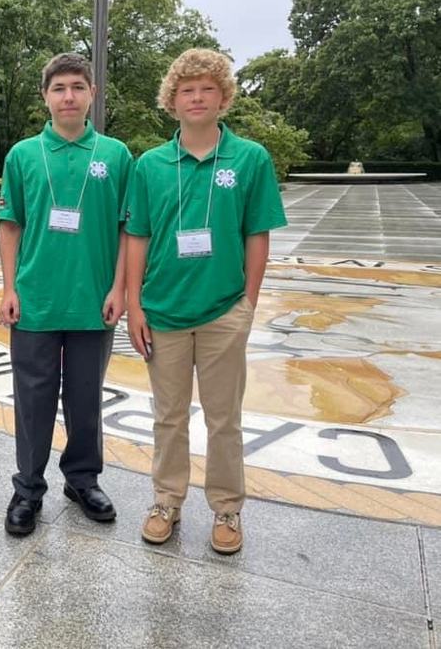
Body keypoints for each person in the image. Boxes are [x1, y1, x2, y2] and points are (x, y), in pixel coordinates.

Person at [124, 48, 287, 554]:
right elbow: (137, 237)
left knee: (224, 419)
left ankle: (226, 510)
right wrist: (134, 305)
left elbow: (257, 234)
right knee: (168, 416)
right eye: (186, 90)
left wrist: (248, 305)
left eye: (207, 89)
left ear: (223, 97)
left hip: (222, 311)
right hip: (164, 312)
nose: (196, 97)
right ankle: (167, 500)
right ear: (172, 101)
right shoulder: (149, 164)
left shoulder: (250, 159)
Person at [0, 53, 133, 535]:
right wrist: (9, 287)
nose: (69, 96)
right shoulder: (23, 155)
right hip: (35, 300)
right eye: (59, 88)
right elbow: (9, 226)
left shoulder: (116, 155)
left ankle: (82, 479)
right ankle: (27, 488)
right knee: (32, 400)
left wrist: (119, 287)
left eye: (78, 86)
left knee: (86, 398)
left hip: (94, 302)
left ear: (93, 93)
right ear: (45, 97)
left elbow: (126, 228)